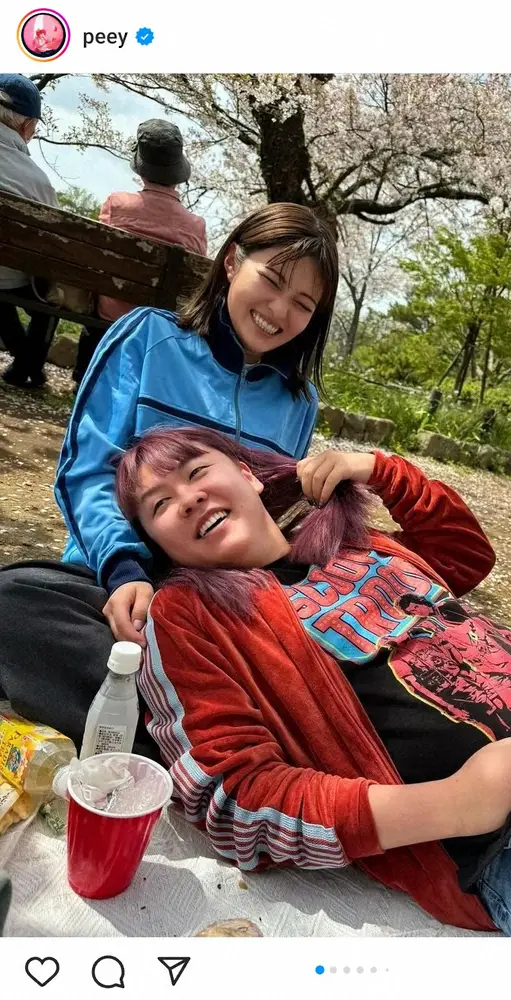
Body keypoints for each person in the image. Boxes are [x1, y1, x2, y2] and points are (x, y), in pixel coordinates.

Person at [117, 426, 511, 936]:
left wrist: (378, 469)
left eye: (198, 472)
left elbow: (465, 551)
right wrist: (451, 805)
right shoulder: (187, 617)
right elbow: (230, 799)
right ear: (156, 542)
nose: (188, 498)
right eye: (160, 504)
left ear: (248, 474)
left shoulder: (351, 543)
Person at [0, 203, 339, 753]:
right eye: (272, 281)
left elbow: (265, 518)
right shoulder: (147, 337)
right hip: (115, 585)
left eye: (303, 304)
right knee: (15, 602)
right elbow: (88, 471)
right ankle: (202, 747)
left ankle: (202, 743)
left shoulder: (297, 402)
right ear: (232, 261)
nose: (279, 311)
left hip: (219, 610)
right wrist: (125, 570)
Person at [73, 119, 208, 387]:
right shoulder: (196, 226)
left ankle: (82, 379)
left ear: (141, 167)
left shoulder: (117, 204)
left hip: (109, 317)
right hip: (159, 326)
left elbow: (97, 258)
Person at [0, 74, 60, 389]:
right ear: (26, 126)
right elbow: (55, 245)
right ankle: (28, 366)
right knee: (47, 301)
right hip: (11, 278)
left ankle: (24, 363)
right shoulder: (38, 182)